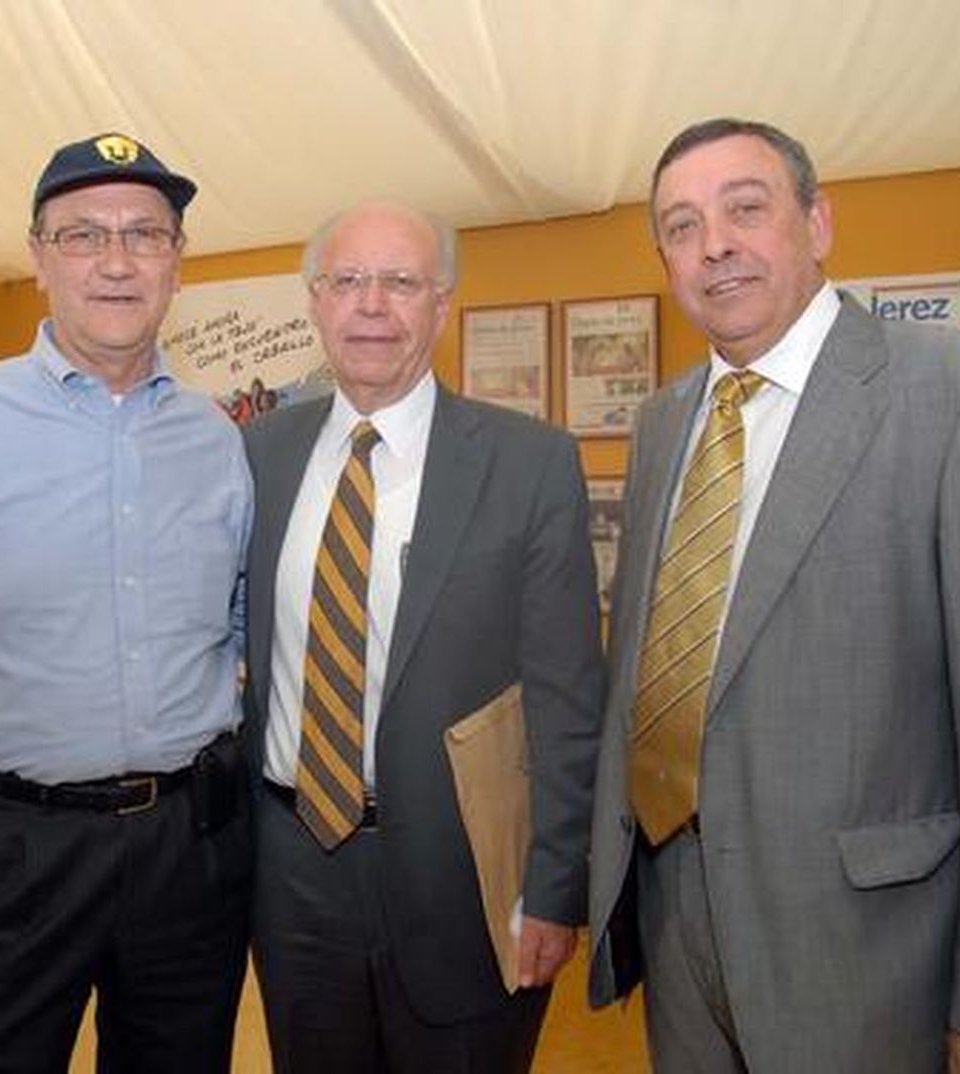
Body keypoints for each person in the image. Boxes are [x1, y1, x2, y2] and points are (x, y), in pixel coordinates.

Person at [585, 118, 960, 1073]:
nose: (715, 245)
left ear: (817, 223)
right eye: (682, 226)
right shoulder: (663, 423)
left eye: (746, 209)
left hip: (872, 955)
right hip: (675, 918)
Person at [0, 133, 253, 1074]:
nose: (116, 261)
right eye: (83, 235)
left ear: (177, 261)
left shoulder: (215, 438)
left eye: (144, 234)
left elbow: (236, 632)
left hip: (191, 852)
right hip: (12, 854)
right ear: (38, 257)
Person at [241, 202, 604, 1073]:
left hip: (466, 876)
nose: (372, 305)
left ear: (442, 304)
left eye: (401, 282)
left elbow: (567, 698)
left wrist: (556, 889)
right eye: (348, 281)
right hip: (291, 871)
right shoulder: (257, 455)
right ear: (315, 300)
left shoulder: (530, 463)